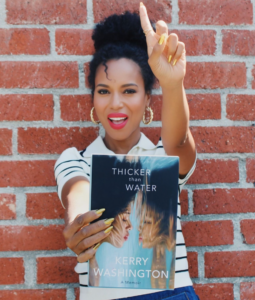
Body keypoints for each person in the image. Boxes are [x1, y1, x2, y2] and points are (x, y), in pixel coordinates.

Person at [54, 3, 198, 300]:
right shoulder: (75, 159)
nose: (115, 103)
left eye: (129, 90)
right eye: (104, 90)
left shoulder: (163, 157)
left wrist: (173, 84)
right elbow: (76, 192)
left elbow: (180, 142)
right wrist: (79, 223)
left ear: (147, 98)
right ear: (93, 98)